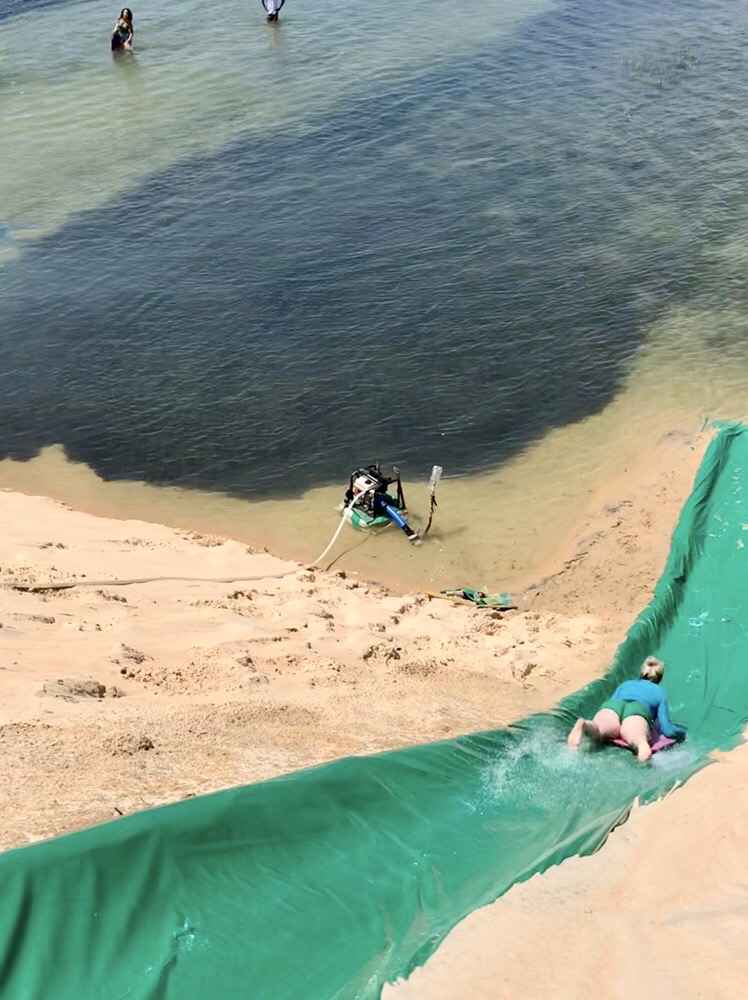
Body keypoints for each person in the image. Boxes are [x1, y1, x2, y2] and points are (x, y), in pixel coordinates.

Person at [567, 655, 686, 763]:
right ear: (659, 677)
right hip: (637, 711)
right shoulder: (660, 692)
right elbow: (667, 730)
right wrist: (681, 733)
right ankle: (643, 765)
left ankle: (585, 725)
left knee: (597, 730)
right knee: (640, 742)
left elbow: (613, 700)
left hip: (613, 706)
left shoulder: (626, 684)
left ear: (642, 673)